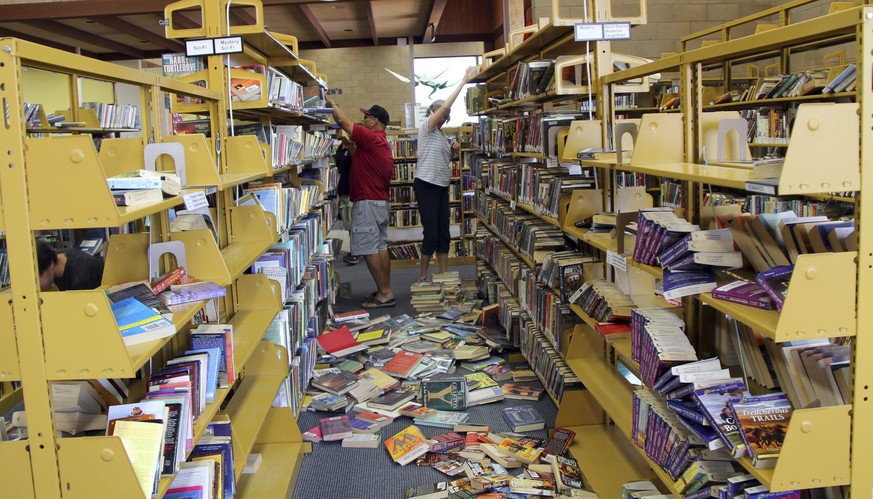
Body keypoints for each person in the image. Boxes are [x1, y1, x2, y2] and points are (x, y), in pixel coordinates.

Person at [327, 99, 396, 309]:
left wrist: (330, 102)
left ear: (374, 121)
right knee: (379, 246)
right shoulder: (379, 142)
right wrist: (351, 147)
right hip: (379, 202)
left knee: (369, 249)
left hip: (367, 203)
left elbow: (343, 120)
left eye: (366, 117)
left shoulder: (371, 137)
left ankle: (384, 293)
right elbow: (364, 161)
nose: (363, 119)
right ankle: (385, 289)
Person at [414, 66, 479, 281]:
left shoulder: (441, 136)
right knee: (431, 232)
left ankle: (442, 274)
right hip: (427, 184)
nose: (444, 116)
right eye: (442, 113)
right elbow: (443, 110)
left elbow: (442, 161)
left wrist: (451, 153)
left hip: (441, 185)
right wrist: (462, 82)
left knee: (443, 232)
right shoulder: (427, 126)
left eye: (447, 115)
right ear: (433, 112)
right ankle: (423, 276)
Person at [37, 240, 104, 291]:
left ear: (50, 264)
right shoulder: (55, 256)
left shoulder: (80, 277)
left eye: (37, 278)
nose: (36, 285)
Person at [334, 127, 359, 265]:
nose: (336, 133)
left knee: (353, 223)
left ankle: (355, 253)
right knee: (348, 224)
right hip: (342, 190)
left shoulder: (352, 149)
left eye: (338, 131)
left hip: (351, 190)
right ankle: (355, 250)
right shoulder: (339, 149)